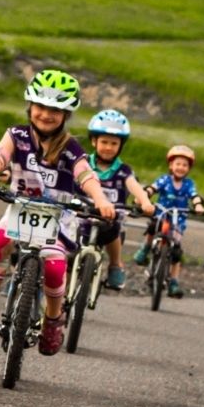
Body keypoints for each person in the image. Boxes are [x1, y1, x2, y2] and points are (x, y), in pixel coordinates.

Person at [0, 70, 116, 356]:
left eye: (55, 110)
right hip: (20, 209)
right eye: (41, 107)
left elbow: (86, 175)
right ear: (29, 107)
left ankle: (53, 320)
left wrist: (100, 200)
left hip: (58, 219)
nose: (46, 114)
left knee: (55, 267)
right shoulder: (17, 135)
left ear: (66, 114)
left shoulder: (71, 148)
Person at [83, 109, 155, 291]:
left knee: (113, 231)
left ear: (121, 145)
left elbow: (135, 187)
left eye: (114, 143)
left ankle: (116, 264)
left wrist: (144, 201)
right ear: (94, 141)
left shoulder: (124, 171)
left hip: (110, 220)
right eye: (104, 142)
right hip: (80, 216)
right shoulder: (82, 163)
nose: (108, 147)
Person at [135, 144, 204, 298]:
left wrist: (198, 205)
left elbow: (194, 196)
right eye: (178, 164)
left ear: (189, 168)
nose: (181, 167)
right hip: (161, 215)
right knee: (152, 227)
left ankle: (174, 281)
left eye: (185, 165)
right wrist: (145, 194)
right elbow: (152, 188)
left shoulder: (189, 184)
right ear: (171, 165)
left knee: (176, 253)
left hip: (177, 221)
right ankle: (145, 248)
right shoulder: (164, 180)